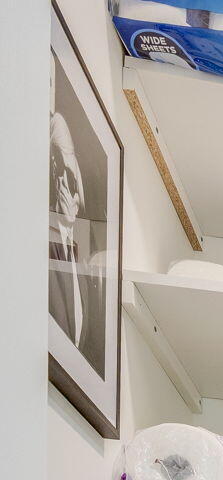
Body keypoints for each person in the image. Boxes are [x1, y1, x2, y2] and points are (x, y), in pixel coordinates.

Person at [49, 105, 104, 375]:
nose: (74, 194)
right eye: (65, 177)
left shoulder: (83, 263)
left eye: (74, 179)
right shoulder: (40, 252)